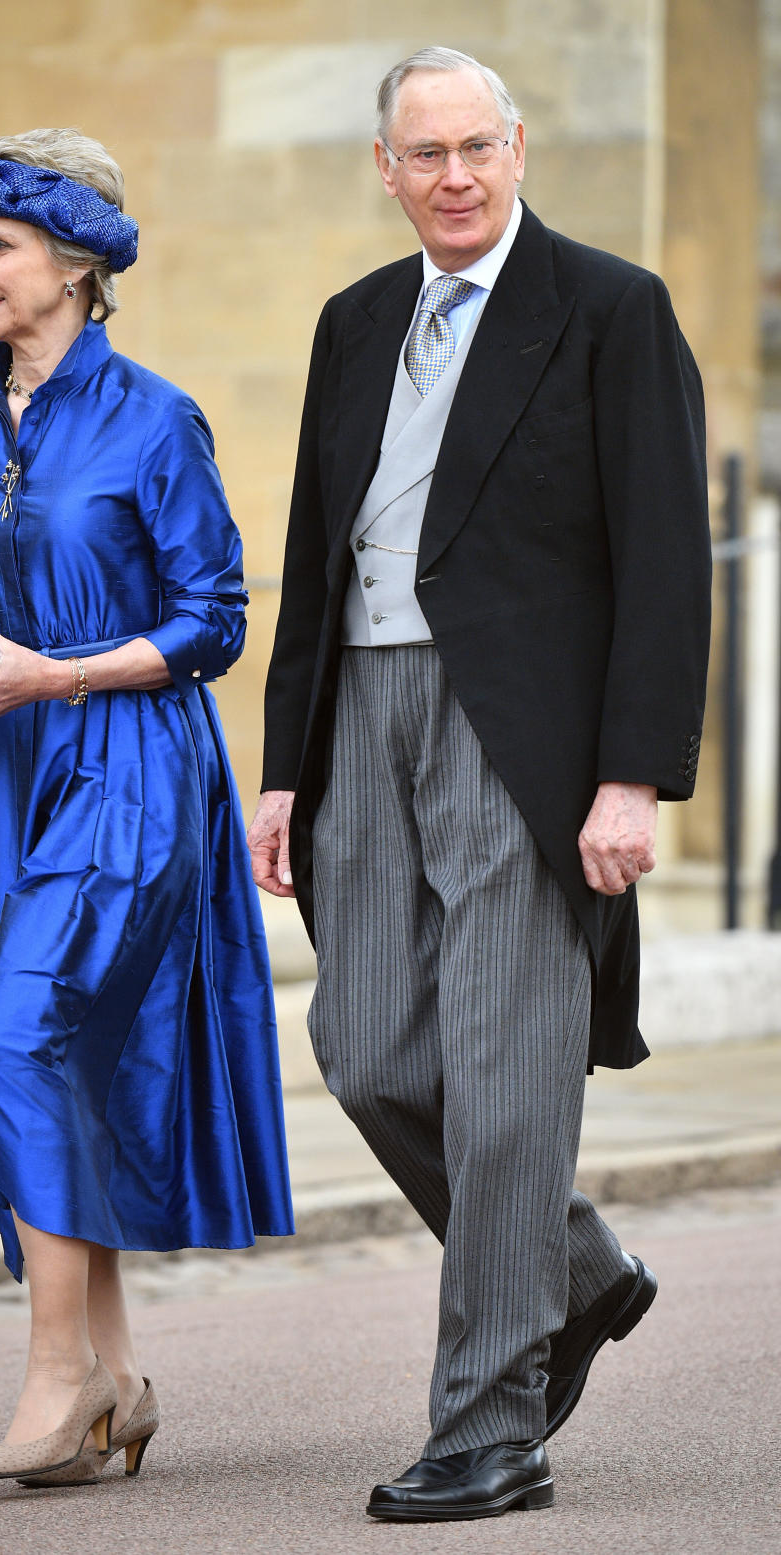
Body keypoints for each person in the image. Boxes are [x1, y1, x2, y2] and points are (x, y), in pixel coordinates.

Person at [247, 47, 710, 1523]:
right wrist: (279, 773)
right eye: (423, 155)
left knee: (510, 1079)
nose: (454, 178)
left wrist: (632, 774)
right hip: (361, 718)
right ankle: (575, 1273)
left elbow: (663, 559)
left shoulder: (611, 309)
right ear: (387, 169)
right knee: (369, 1047)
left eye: (475, 149)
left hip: (527, 735)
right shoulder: (355, 320)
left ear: (515, 148)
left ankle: (488, 1421)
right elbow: (314, 554)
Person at [0, 128, 293, 1487]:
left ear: (75, 263)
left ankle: (57, 1379)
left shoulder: (157, 418)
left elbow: (214, 622)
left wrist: (56, 671)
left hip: (129, 771)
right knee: (35, 1061)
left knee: (24, 1044)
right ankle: (118, 1380)